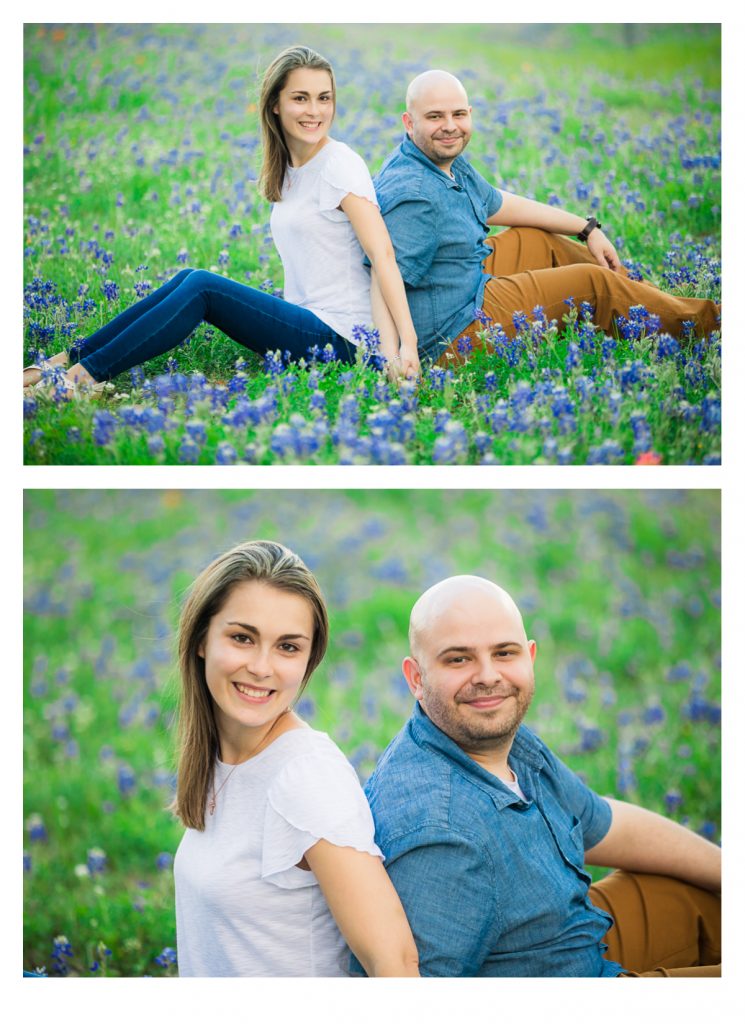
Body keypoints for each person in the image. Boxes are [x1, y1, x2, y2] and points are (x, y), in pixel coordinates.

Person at [357, 575, 721, 977]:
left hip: (571, 935)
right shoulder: (441, 833)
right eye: (458, 659)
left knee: (700, 890)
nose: (487, 676)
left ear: (529, 657)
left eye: (504, 653)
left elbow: (602, 822)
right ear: (416, 678)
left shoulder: (498, 740)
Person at [23, 46, 418, 397]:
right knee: (188, 276)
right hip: (311, 323)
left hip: (344, 339)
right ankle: (60, 363)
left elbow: (382, 255)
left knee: (202, 287)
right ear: (275, 104)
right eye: (301, 98)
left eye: (324, 98)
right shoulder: (293, 168)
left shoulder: (339, 163)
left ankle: (78, 379)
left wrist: (403, 347)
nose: (315, 111)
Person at [172, 539, 419, 977]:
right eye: (242, 638)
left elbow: (394, 962)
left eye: (288, 647)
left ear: (308, 661)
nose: (262, 667)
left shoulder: (306, 777)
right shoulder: (225, 755)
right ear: (201, 641)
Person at [371, 70, 720, 368]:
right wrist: (399, 355)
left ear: (469, 114)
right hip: (452, 330)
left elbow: (496, 203)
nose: (449, 127)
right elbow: (384, 277)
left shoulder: (436, 157)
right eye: (435, 117)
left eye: (458, 114)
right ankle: (711, 323)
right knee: (591, 285)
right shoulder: (414, 193)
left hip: (461, 277)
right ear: (409, 121)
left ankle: (651, 302)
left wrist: (586, 227)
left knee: (536, 239)